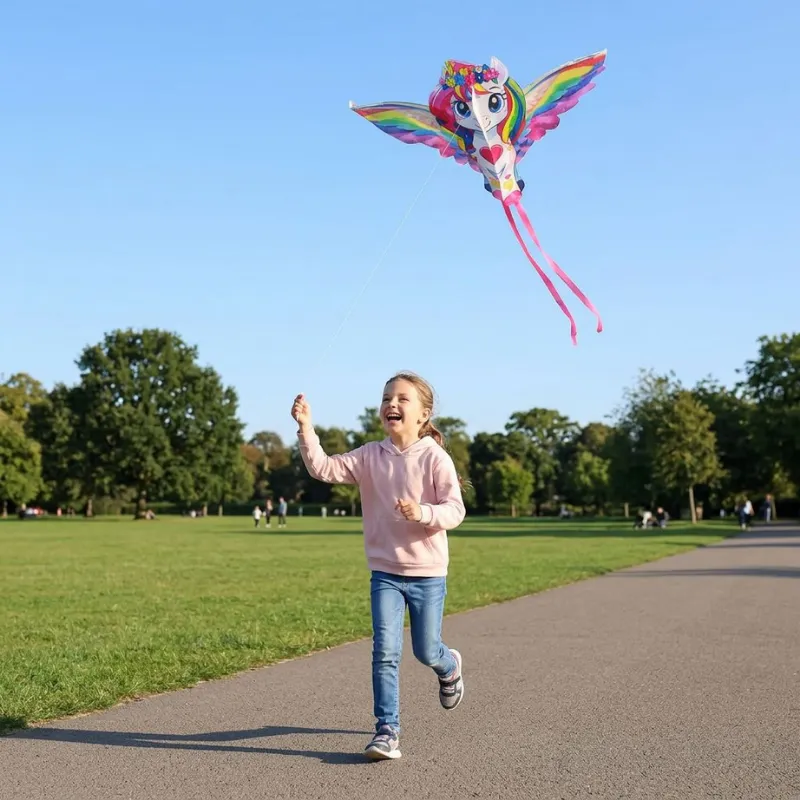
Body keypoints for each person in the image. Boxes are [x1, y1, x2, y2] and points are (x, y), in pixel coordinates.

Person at [291, 372, 466, 761]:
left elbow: (455, 510)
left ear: (423, 414)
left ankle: (449, 667)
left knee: (426, 650)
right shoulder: (370, 455)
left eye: (402, 398)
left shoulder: (435, 457)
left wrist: (422, 512)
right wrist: (305, 427)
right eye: (387, 398)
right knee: (385, 651)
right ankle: (387, 731)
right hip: (385, 573)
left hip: (427, 574)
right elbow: (323, 468)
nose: (392, 404)